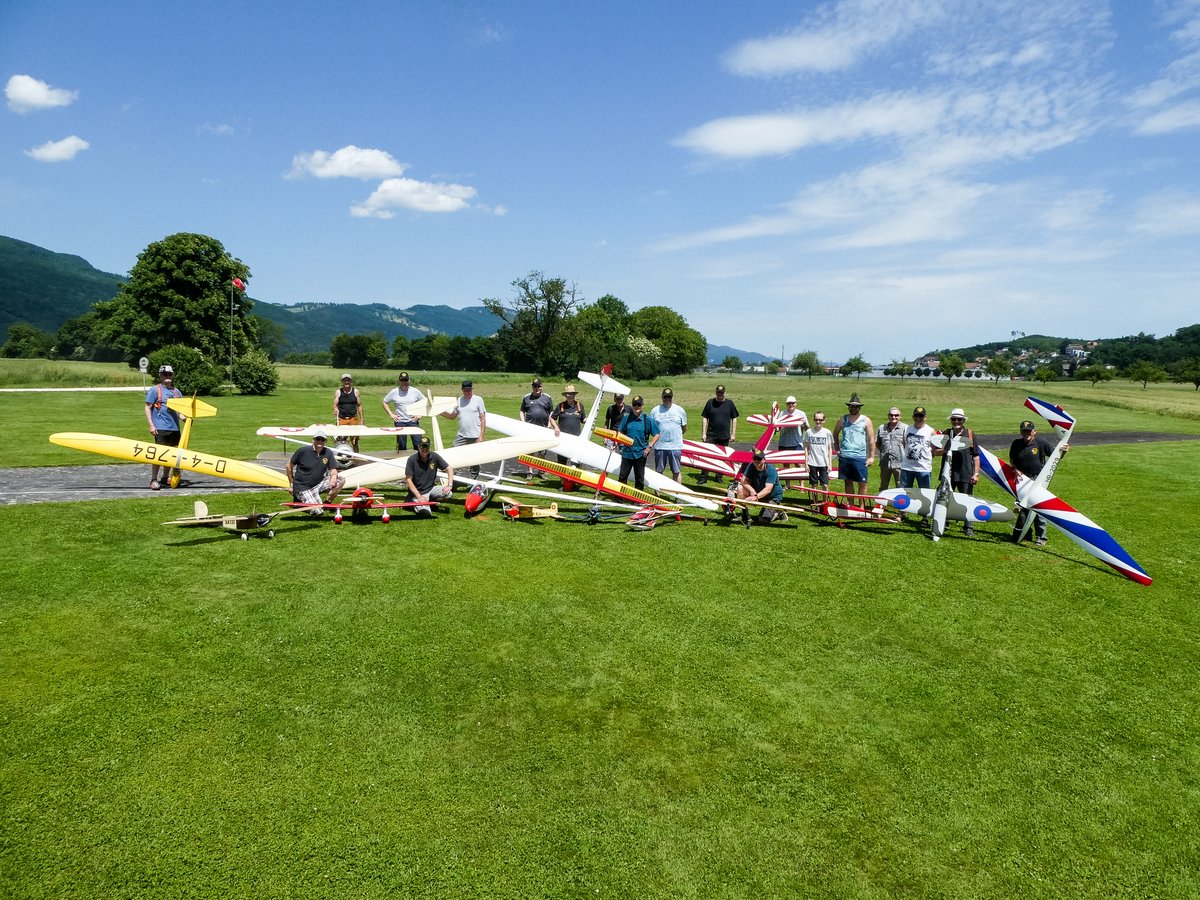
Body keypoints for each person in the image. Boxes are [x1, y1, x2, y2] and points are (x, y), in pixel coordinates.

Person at [1010, 418, 1068, 546]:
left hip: (1038, 480)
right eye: (1024, 431)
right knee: (1022, 508)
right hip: (1022, 480)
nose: (1026, 434)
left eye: (1029, 431)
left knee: (1038, 509)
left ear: (1034, 432)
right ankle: (1026, 533)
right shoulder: (1016, 443)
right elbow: (1012, 460)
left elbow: (1055, 456)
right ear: (1020, 432)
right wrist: (1015, 469)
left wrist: (1063, 451)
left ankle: (1041, 537)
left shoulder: (1041, 442)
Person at [941, 407, 980, 535]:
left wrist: (976, 473)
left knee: (967, 500)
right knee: (946, 498)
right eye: (954, 419)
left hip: (965, 473)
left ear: (963, 420)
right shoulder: (946, 433)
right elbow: (937, 450)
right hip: (948, 473)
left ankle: (968, 526)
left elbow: (976, 455)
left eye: (959, 419)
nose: (956, 421)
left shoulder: (969, 434)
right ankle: (944, 522)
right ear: (951, 420)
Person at [144, 363, 183, 490]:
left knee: (171, 455)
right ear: (160, 376)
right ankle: (153, 479)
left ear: (173, 375)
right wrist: (151, 425)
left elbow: (180, 411)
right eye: (165, 374)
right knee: (159, 454)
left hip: (174, 428)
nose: (167, 376)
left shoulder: (177, 392)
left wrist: (184, 418)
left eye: (170, 374)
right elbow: (148, 407)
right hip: (161, 428)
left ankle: (165, 477)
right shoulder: (155, 390)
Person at [286, 429, 344, 515]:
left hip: (318, 484)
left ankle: (327, 502)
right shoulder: (303, 451)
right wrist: (291, 484)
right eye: (318, 439)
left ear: (325, 441)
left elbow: (333, 469)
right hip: (303, 487)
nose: (320, 441)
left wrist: (334, 477)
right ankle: (299, 502)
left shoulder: (328, 452)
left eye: (322, 439)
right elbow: (288, 466)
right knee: (318, 512)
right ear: (313, 440)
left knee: (341, 479)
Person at [832, 393, 875, 507]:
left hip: (859, 456)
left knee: (862, 483)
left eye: (856, 407)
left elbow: (871, 439)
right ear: (848, 407)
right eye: (851, 406)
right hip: (845, 456)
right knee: (848, 481)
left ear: (859, 408)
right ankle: (851, 505)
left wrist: (871, 457)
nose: (853, 408)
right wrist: (837, 449)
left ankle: (861, 506)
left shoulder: (866, 420)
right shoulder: (843, 419)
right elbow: (835, 433)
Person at [440, 380, 486, 478]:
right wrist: (439, 412)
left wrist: (481, 435)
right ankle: (452, 477)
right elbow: (452, 416)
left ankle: (473, 480)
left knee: (474, 459)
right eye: (465, 391)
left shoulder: (478, 400)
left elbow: (483, 418)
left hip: (475, 435)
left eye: (469, 390)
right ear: (462, 390)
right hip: (462, 435)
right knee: (453, 454)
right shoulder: (459, 400)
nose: (467, 393)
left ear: (472, 389)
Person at [697, 384, 739, 484]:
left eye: (721, 392)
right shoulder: (710, 402)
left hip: (724, 435)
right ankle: (703, 477)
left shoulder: (730, 403)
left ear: (724, 393)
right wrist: (704, 433)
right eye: (718, 392)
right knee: (706, 455)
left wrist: (733, 433)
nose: (720, 394)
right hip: (711, 434)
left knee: (723, 457)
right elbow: (705, 418)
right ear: (716, 392)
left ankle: (719, 476)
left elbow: (734, 418)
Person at [731, 449, 787, 524]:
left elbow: (768, 489)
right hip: (758, 493)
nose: (756, 461)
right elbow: (743, 480)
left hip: (772, 497)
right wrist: (751, 490)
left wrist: (756, 496)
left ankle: (778, 511)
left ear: (764, 460)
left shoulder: (771, 470)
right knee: (740, 488)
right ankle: (745, 515)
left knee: (763, 520)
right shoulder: (751, 465)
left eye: (759, 459)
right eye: (755, 458)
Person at [616, 395, 658, 490]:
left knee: (639, 478)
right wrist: (621, 441)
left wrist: (649, 447)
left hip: (640, 453)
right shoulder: (626, 417)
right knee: (622, 476)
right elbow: (620, 431)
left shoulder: (647, 419)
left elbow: (657, 434)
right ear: (632, 405)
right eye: (634, 404)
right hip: (627, 453)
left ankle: (637, 501)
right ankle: (620, 498)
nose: (636, 407)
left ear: (642, 405)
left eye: (639, 404)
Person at [404, 436, 455, 516]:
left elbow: (449, 469)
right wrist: (419, 496)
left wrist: (449, 485)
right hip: (418, 492)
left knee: (448, 493)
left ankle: (429, 501)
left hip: (431, 488)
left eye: (426, 446)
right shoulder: (411, 460)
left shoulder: (434, 456)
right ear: (418, 447)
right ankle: (411, 500)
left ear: (429, 447)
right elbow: (408, 480)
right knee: (426, 513)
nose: (424, 449)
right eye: (422, 446)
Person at [650, 387, 687, 484]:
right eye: (665, 397)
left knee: (676, 471)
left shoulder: (680, 410)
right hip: (660, 446)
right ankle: (657, 495)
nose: (667, 399)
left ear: (672, 397)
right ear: (662, 397)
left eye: (669, 397)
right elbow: (651, 428)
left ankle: (677, 496)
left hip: (675, 446)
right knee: (659, 471)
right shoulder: (655, 410)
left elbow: (684, 428)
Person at [380, 372, 425, 451]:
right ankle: (402, 461)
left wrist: (420, 414)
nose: (404, 383)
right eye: (402, 380)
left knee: (418, 444)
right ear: (399, 381)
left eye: (406, 380)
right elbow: (384, 401)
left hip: (413, 421)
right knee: (402, 445)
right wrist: (391, 414)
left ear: (409, 381)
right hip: (400, 422)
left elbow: (425, 402)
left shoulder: (415, 391)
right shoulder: (394, 392)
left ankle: (418, 462)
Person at [900, 406, 937, 493]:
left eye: (921, 416)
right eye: (916, 416)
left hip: (923, 468)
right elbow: (905, 443)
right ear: (913, 417)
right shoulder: (907, 429)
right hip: (907, 467)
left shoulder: (930, 431)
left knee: (925, 493)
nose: (918, 418)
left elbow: (935, 450)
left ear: (925, 417)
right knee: (904, 493)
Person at [550, 384, 587, 464]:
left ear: (574, 395)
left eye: (572, 394)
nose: (570, 396)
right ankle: (562, 477)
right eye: (568, 394)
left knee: (575, 462)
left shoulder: (580, 406)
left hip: (576, 439)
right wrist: (556, 427)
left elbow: (583, 419)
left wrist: (587, 420)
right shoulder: (560, 406)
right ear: (565, 395)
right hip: (563, 438)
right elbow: (552, 418)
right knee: (561, 463)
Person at [801, 411, 834, 495]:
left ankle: (825, 504)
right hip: (812, 462)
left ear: (824, 420)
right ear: (813, 420)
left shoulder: (827, 432)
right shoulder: (809, 432)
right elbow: (806, 448)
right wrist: (806, 463)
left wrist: (830, 463)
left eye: (820, 420)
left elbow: (830, 449)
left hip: (824, 463)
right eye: (816, 419)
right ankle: (815, 503)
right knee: (814, 485)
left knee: (825, 485)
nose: (818, 421)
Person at [875, 406, 906, 493]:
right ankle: (881, 505)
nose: (894, 417)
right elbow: (878, 443)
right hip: (885, 463)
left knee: (901, 487)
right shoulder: (882, 428)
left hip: (900, 463)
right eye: (891, 415)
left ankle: (900, 506)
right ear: (888, 416)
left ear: (900, 416)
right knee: (883, 487)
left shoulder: (905, 428)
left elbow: (907, 444)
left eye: (896, 415)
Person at [333, 373, 363, 453]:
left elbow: (359, 406)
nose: (346, 382)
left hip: (353, 419)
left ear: (351, 381)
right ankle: (341, 460)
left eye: (348, 380)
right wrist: (335, 411)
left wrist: (361, 419)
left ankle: (356, 460)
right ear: (342, 381)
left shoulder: (356, 392)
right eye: (344, 380)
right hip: (341, 420)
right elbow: (335, 405)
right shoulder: (338, 392)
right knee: (340, 441)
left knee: (355, 441)